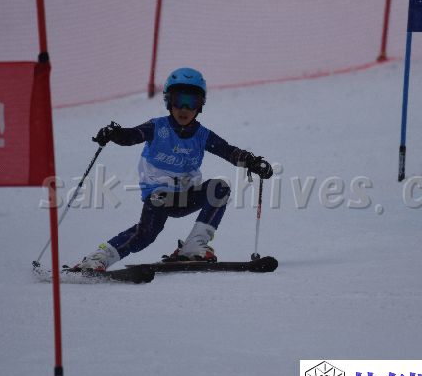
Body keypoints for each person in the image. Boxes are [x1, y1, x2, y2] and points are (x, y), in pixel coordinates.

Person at [72, 67, 273, 272]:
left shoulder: (202, 135)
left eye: (191, 102)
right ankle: (97, 259)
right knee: (145, 235)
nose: (184, 108)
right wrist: (114, 133)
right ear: (169, 101)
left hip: (187, 195)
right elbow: (131, 136)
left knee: (219, 188)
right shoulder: (157, 127)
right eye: (178, 100)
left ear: (200, 105)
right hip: (160, 196)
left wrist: (252, 162)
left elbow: (228, 151)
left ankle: (193, 246)